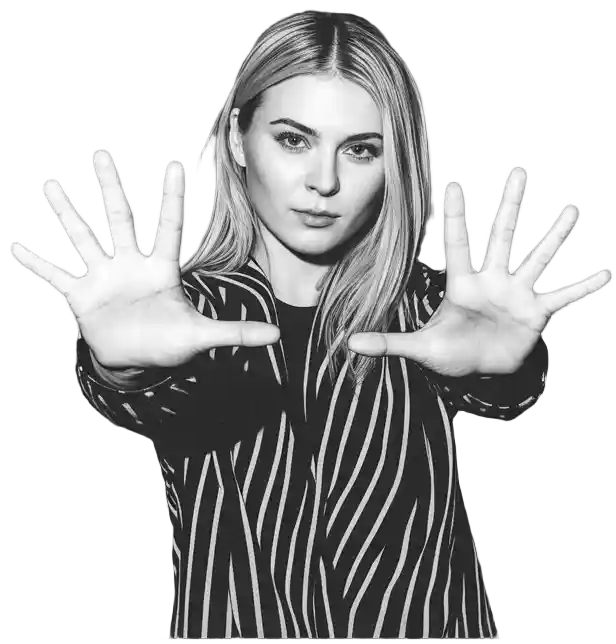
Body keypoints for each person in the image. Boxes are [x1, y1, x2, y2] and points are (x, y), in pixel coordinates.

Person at [9, 9, 612, 640]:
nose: (324, 182)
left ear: (394, 164)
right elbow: (149, 396)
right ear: (238, 140)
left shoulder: (426, 311)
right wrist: (121, 367)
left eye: (360, 150)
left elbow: (496, 386)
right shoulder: (189, 317)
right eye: (294, 140)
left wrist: (511, 366)